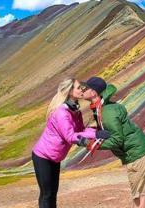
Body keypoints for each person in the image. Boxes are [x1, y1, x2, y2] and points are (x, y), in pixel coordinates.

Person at [32, 78, 110, 208]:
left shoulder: (74, 110)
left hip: (55, 158)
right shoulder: (62, 113)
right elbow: (70, 136)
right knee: (47, 194)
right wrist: (95, 135)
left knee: (53, 193)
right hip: (43, 156)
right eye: (78, 88)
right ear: (70, 91)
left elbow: (80, 130)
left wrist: (96, 131)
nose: (82, 90)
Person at [80, 77, 145, 208]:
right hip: (138, 151)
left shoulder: (106, 112)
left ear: (93, 93)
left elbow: (116, 140)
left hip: (138, 153)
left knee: (139, 195)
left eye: (85, 88)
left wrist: (90, 144)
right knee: (140, 193)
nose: (82, 90)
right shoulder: (102, 109)